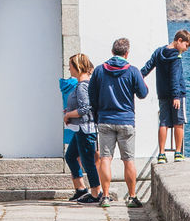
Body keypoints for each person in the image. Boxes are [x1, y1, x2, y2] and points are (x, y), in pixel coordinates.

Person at [88, 38, 148, 207]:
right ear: (127, 53)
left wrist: (97, 114)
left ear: (112, 51)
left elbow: (92, 96)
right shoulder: (133, 71)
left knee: (105, 159)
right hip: (126, 120)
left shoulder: (99, 71)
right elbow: (143, 93)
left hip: (105, 120)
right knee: (128, 160)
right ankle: (132, 196)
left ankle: (105, 196)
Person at [141, 29, 190, 163]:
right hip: (177, 94)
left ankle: (162, 154)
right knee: (178, 123)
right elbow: (175, 77)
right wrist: (176, 95)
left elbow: (148, 66)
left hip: (162, 93)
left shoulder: (159, 52)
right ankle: (178, 153)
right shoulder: (176, 56)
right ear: (179, 40)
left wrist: (139, 77)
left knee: (163, 123)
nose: (186, 49)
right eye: (186, 45)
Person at [63, 53, 103, 205]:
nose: (69, 69)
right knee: (71, 156)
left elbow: (85, 108)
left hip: (85, 129)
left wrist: (68, 115)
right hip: (81, 129)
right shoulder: (84, 85)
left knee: (87, 162)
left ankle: (95, 192)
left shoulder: (82, 86)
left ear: (77, 67)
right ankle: (81, 189)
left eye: (70, 66)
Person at [60, 59, 86, 200]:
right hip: (83, 125)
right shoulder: (81, 86)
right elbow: (84, 108)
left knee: (72, 156)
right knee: (89, 158)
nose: (69, 70)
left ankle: (80, 188)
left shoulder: (69, 86)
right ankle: (96, 190)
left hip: (72, 125)